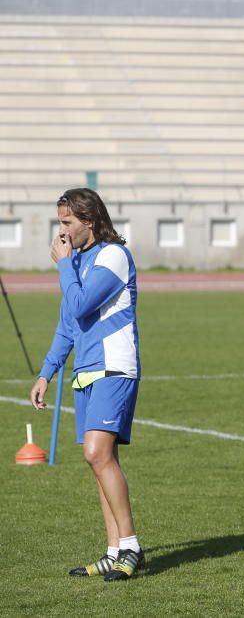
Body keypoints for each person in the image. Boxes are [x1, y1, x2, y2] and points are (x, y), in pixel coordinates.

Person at [30, 188, 144, 581]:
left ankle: (131, 545)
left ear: (89, 221)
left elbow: (81, 305)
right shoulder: (78, 260)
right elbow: (69, 323)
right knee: (101, 462)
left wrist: (63, 267)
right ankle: (113, 552)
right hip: (87, 372)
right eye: (59, 223)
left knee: (97, 454)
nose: (60, 232)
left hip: (115, 365)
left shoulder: (113, 256)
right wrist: (47, 372)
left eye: (66, 223)